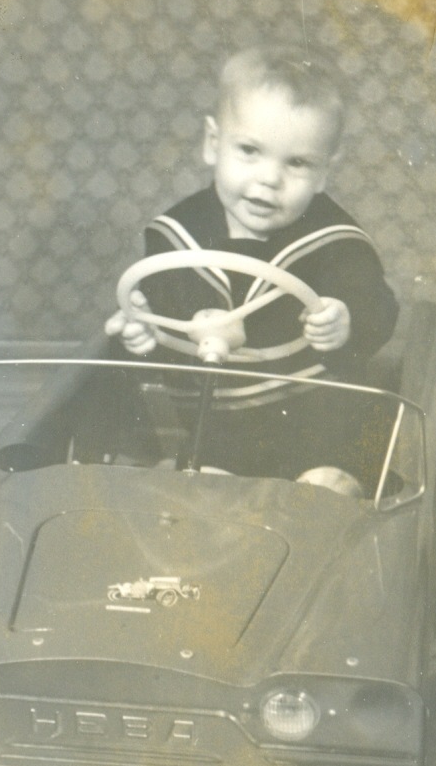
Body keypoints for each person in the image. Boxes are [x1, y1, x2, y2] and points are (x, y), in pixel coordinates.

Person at [105, 45, 399, 487]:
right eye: (249, 150)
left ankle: (326, 501)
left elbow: (378, 308)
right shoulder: (174, 237)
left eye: (297, 163)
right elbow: (158, 328)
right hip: (217, 430)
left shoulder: (335, 241)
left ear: (324, 172)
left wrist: (347, 321)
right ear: (213, 143)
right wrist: (141, 336)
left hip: (321, 424)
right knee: (202, 489)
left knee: (328, 483)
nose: (269, 178)